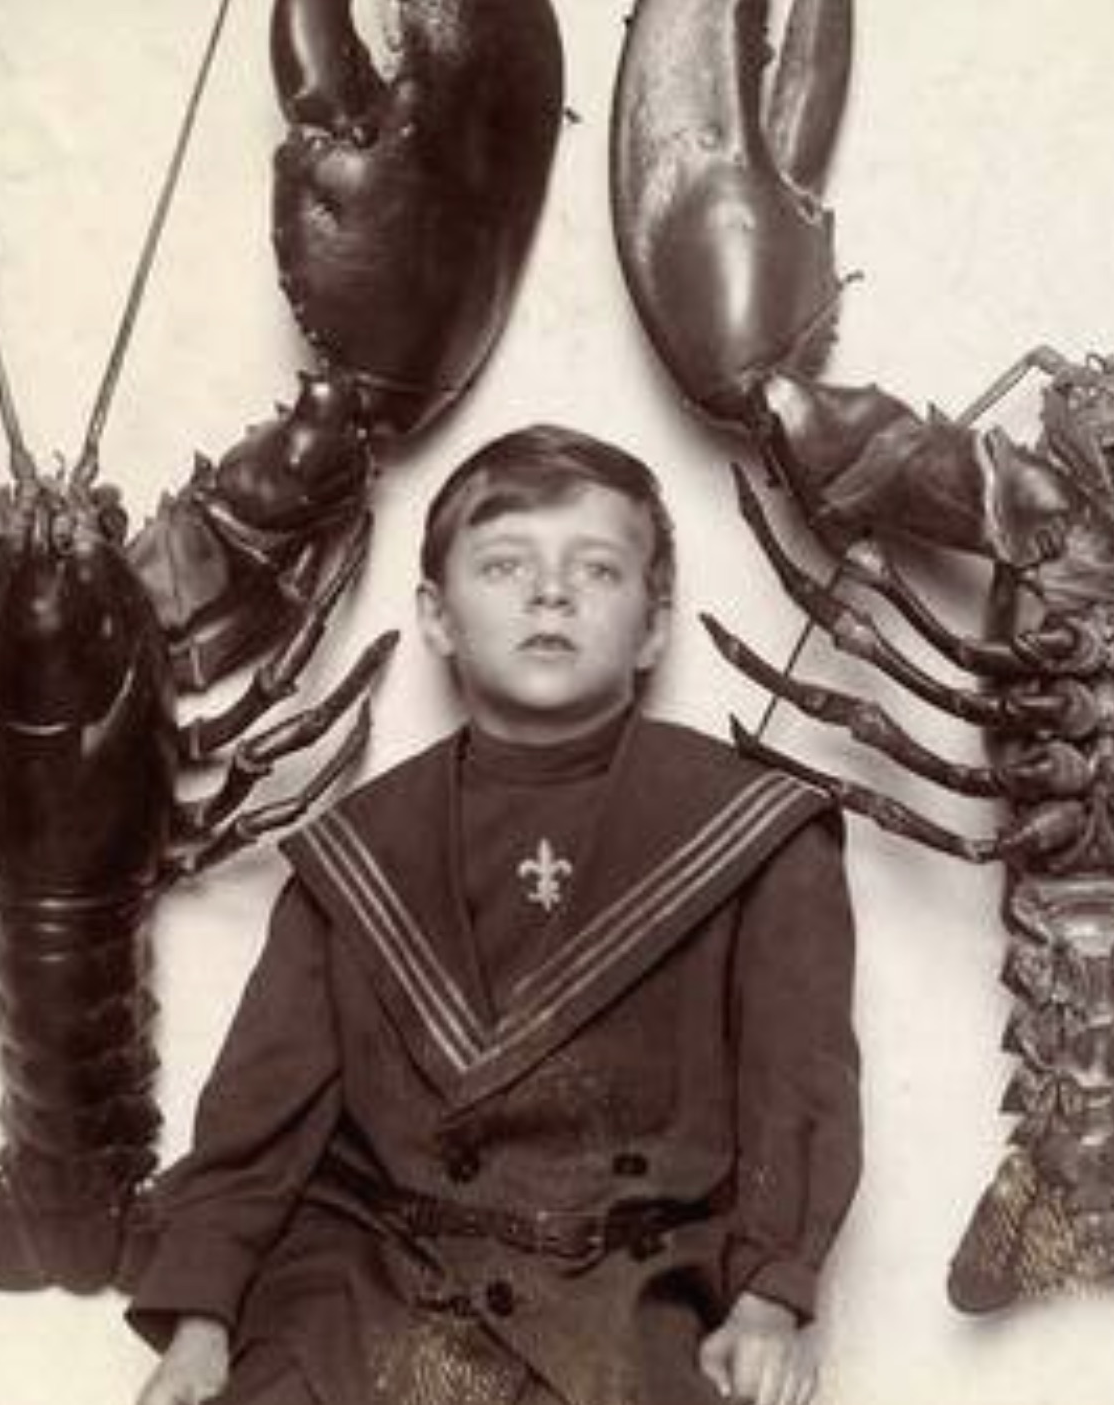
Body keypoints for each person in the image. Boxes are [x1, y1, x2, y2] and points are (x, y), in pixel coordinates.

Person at [129, 425, 860, 1405]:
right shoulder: (357, 850)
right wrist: (199, 1323)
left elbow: (796, 1090)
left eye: (596, 568)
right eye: (504, 562)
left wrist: (769, 1300)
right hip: (367, 1286)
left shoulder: (756, 831)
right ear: (436, 615)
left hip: (619, 1296)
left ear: (652, 625)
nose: (548, 591)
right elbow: (258, 1120)